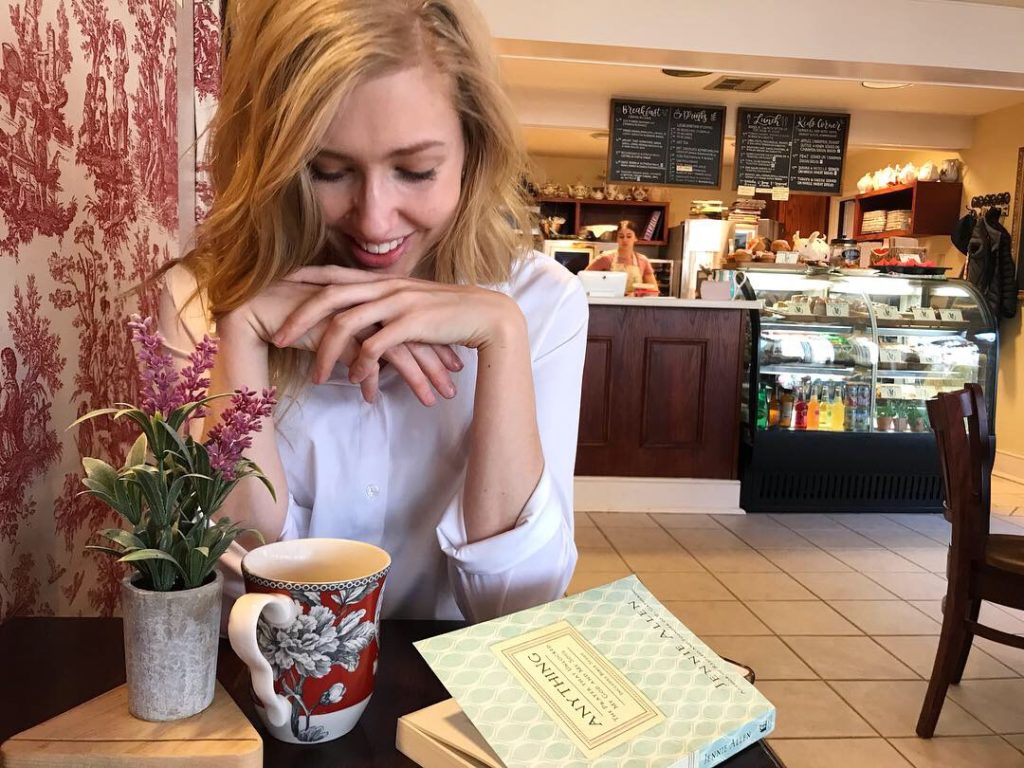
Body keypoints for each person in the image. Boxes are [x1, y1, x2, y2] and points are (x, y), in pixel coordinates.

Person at [158, 0, 587, 623]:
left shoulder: (540, 305)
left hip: (450, 699)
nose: (375, 220)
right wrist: (244, 334)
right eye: (327, 172)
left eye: (416, 171)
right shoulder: (201, 299)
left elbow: (517, 607)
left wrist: (502, 336)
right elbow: (222, 591)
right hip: (264, 699)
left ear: (474, 151)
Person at [585, 220, 658, 295]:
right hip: (610, 304)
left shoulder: (643, 260)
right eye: (621, 236)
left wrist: (637, 293)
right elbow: (584, 279)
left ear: (635, 238)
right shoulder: (605, 258)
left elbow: (654, 291)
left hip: (634, 304)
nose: (625, 240)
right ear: (617, 238)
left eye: (629, 236)